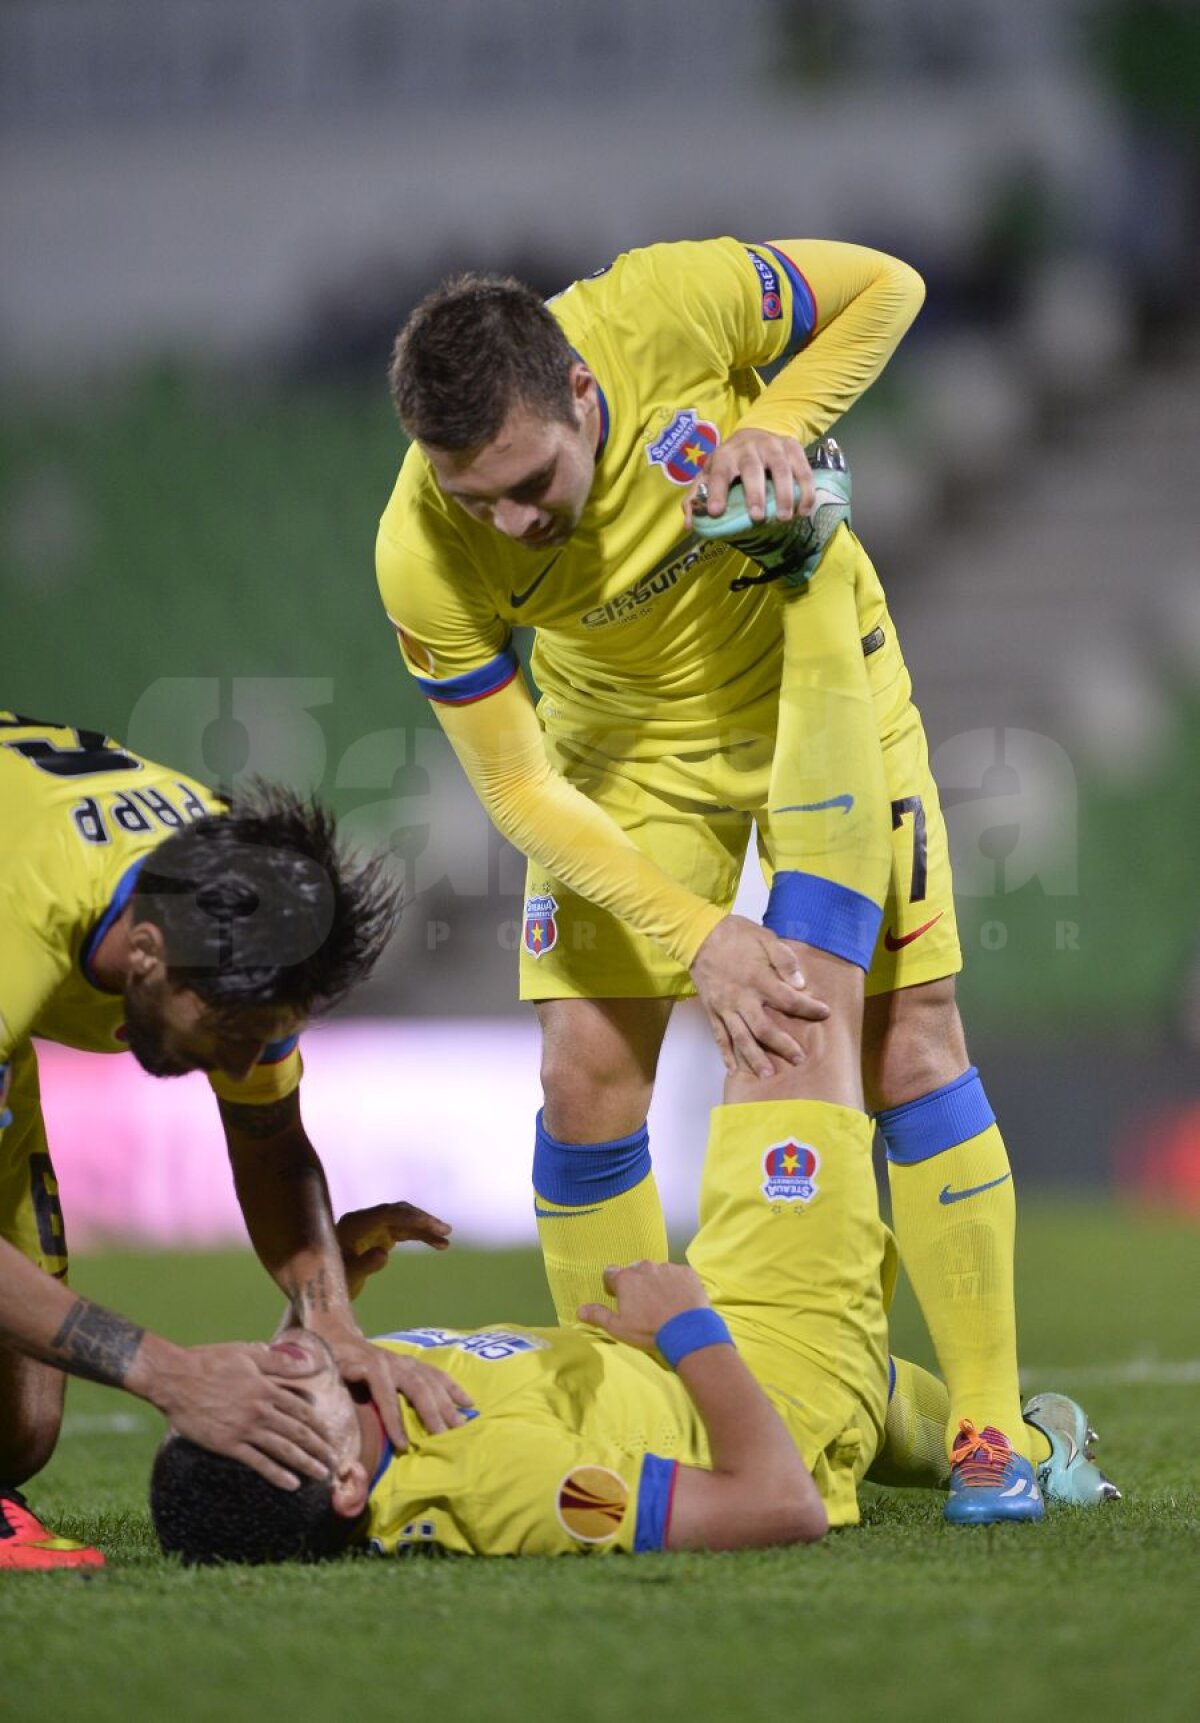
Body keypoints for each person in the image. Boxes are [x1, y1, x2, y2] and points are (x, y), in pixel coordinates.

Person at [376, 238, 1039, 1519]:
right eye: (477, 502)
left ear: (580, 391)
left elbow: (887, 287)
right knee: (583, 1078)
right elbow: (518, 792)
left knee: (910, 1046)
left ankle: (992, 1432)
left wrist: (777, 427)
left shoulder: (663, 306)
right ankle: (635, 1394)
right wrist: (701, 937)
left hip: (813, 672)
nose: (511, 525)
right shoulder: (420, 551)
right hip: (627, 746)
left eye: (529, 484)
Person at [0, 712, 468, 1569]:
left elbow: (270, 1139)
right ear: (144, 955)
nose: (245, 1060)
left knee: (18, 1433)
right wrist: (168, 1372)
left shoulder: (242, 915)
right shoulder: (17, 927)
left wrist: (333, 1320)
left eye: (270, 1034)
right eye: (230, 1030)